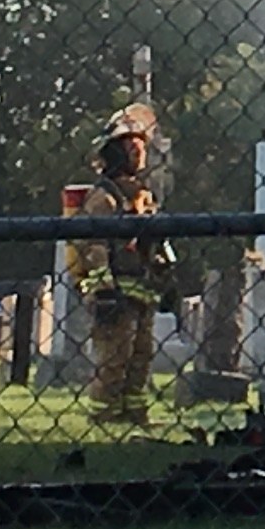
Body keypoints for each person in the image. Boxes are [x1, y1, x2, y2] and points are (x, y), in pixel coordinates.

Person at [68, 104, 176, 428]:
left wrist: (164, 276)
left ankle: (134, 413)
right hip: (114, 293)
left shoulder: (141, 195)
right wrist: (104, 290)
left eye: (140, 145)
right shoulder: (105, 197)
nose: (138, 151)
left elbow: (154, 244)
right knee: (115, 358)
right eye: (131, 145)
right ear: (116, 152)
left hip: (141, 291)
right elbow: (94, 246)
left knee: (141, 357)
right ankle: (104, 415)